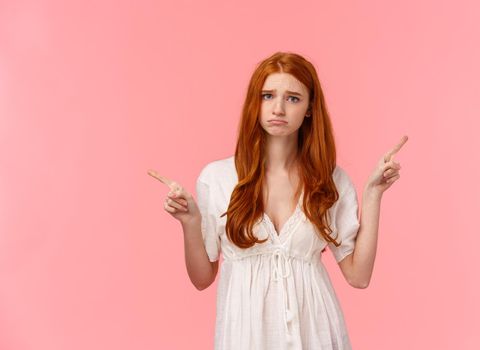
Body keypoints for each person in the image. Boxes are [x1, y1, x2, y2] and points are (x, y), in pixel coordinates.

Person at [148, 51, 408, 350]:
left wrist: (373, 194)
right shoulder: (217, 178)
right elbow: (202, 278)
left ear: (310, 107)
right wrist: (190, 221)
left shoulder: (331, 180)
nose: (279, 109)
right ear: (254, 103)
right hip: (244, 337)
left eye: (293, 98)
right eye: (268, 96)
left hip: (317, 333)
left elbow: (358, 276)